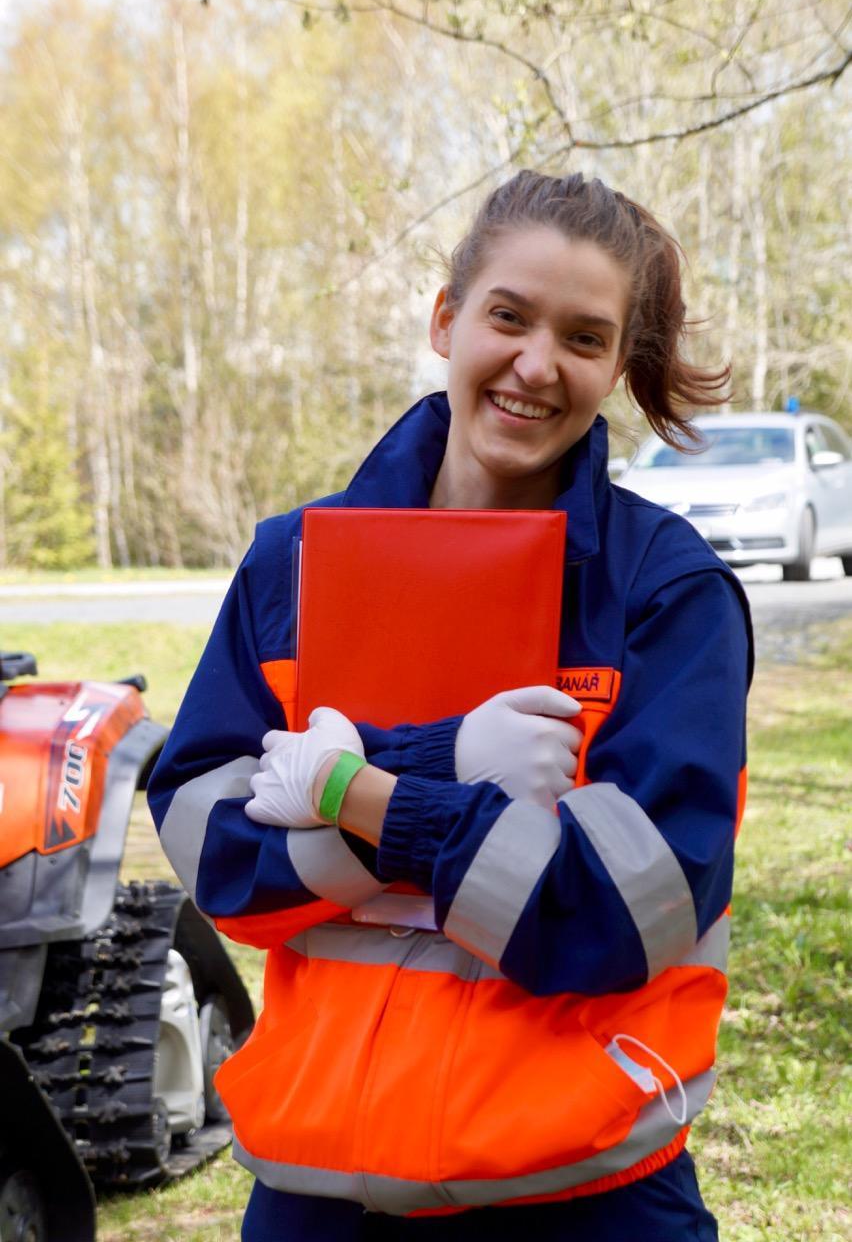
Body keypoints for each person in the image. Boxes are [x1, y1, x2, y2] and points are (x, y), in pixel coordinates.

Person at [149, 170, 752, 1241]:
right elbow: (214, 852)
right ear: (446, 317)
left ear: (616, 366)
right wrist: (445, 768)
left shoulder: (667, 591)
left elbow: (619, 911)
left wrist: (344, 785)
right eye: (508, 316)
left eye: (582, 337)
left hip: (583, 1197)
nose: (535, 364)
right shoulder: (290, 563)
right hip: (317, 1192)